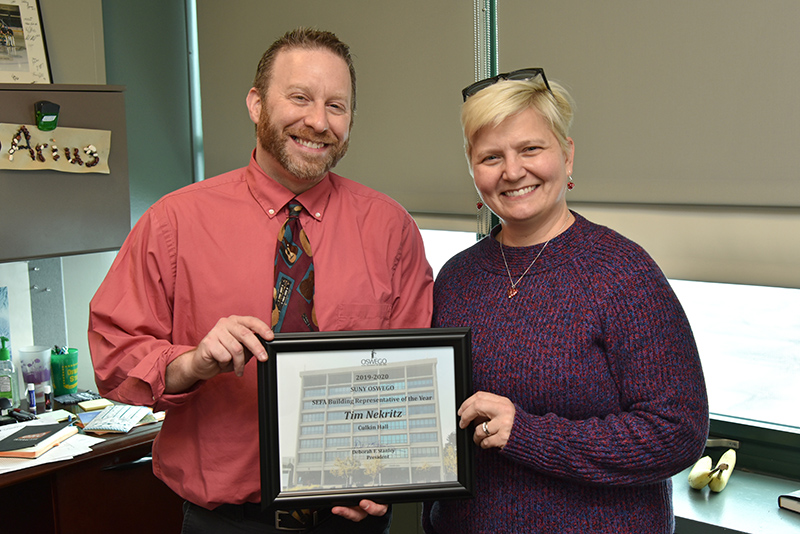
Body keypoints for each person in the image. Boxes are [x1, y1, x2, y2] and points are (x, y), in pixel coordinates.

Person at [88, 28, 433, 534]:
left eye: (336, 106)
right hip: (225, 522)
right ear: (255, 103)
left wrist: (388, 475)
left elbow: (415, 378)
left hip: (351, 519)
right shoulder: (173, 224)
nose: (318, 121)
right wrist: (193, 363)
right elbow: (113, 358)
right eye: (299, 98)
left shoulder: (389, 229)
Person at [423, 69, 709, 533]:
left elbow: (678, 433)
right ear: (472, 170)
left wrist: (527, 433)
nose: (512, 171)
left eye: (531, 149)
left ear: (567, 154)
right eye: (490, 156)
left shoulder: (624, 273)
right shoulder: (456, 278)